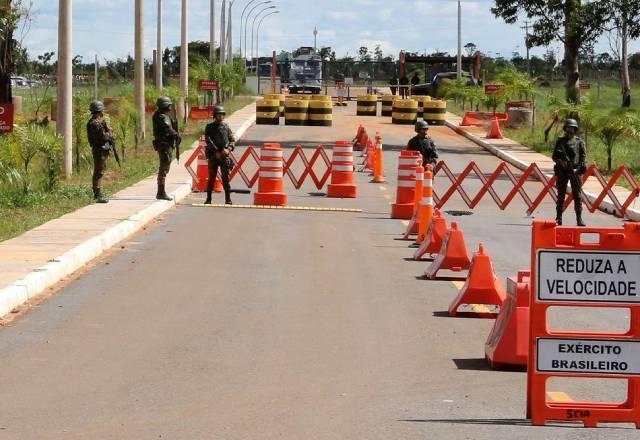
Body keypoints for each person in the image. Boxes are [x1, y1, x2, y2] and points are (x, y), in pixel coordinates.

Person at [552, 118, 587, 226]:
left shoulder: (580, 142)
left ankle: (579, 219)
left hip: (576, 171)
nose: (569, 130)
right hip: (563, 171)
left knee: (577, 196)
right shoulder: (560, 141)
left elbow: (583, 157)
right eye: (567, 128)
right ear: (565, 129)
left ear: (575, 129)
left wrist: (578, 168)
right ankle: (559, 217)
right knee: (561, 195)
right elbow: (554, 157)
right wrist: (562, 163)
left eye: (571, 128)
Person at [204, 106, 236, 205]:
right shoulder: (209, 127)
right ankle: (208, 198)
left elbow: (232, 140)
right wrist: (216, 151)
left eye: (222, 114)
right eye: (218, 114)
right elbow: (208, 140)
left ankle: (228, 199)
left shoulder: (226, 127)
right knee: (211, 178)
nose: (221, 116)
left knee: (225, 178)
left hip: (224, 155)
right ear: (214, 116)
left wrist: (229, 149)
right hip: (213, 155)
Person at [152, 96, 180, 201]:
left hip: (165, 144)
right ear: (164, 105)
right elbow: (169, 129)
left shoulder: (161, 115)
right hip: (164, 145)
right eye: (168, 105)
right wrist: (176, 135)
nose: (170, 107)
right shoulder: (162, 117)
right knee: (164, 168)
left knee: (165, 167)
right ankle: (161, 192)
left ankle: (161, 192)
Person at [86, 100, 113, 204]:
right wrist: (110, 133)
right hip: (99, 150)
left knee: (100, 171)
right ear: (100, 110)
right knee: (99, 171)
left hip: (101, 149)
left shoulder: (98, 122)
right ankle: (97, 194)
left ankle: (98, 193)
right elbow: (103, 137)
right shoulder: (95, 123)